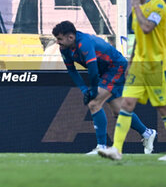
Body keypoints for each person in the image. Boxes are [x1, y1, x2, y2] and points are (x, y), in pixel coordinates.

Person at [52, 20, 156, 155]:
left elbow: (93, 70)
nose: (57, 42)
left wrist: (94, 91)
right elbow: (72, 71)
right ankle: (147, 133)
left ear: (70, 37)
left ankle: (101, 146)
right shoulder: (65, 49)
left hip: (117, 67)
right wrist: (84, 90)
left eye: (59, 39)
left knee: (94, 103)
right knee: (118, 110)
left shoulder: (84, 43)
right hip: (106, 72)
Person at [98, 0, 166, 160]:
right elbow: (138, 38)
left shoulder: (158, 6)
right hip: (139, 65)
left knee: (162, 107)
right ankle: (116, 149)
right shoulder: (138, 9)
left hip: (155, 64)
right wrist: (130, 60)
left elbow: (146, 28)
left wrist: (136, 5)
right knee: (126, 104)